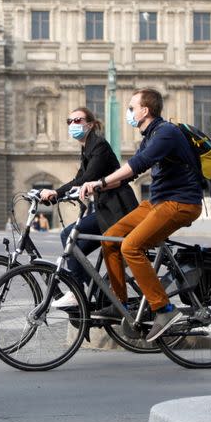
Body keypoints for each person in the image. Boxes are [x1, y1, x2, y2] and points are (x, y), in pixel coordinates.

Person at [79, 88, 203, 342]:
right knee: (109, 238)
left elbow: (137, 165)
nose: (129, 113)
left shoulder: (166, 133)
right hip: (157, 202)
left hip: (180, 203)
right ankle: (119, 302)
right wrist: (86, 186)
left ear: (145, 111)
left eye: (132, 108)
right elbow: (130, 175)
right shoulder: (149, 136)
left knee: (130, 246)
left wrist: (100, 182)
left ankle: (165, 310)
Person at [40, 107, 138, 307]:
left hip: (117, 209)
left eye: (78, 120)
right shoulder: (87, 147)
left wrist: (58, 193)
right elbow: (79, 179)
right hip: (106, 209)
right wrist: (56, 194)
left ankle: (81, 291)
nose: (73, 125)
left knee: (69, 237)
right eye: (69, 121)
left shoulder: (99, 145)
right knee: (73, 245)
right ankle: (94, 289)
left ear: (90, 124)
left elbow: (87, 178)